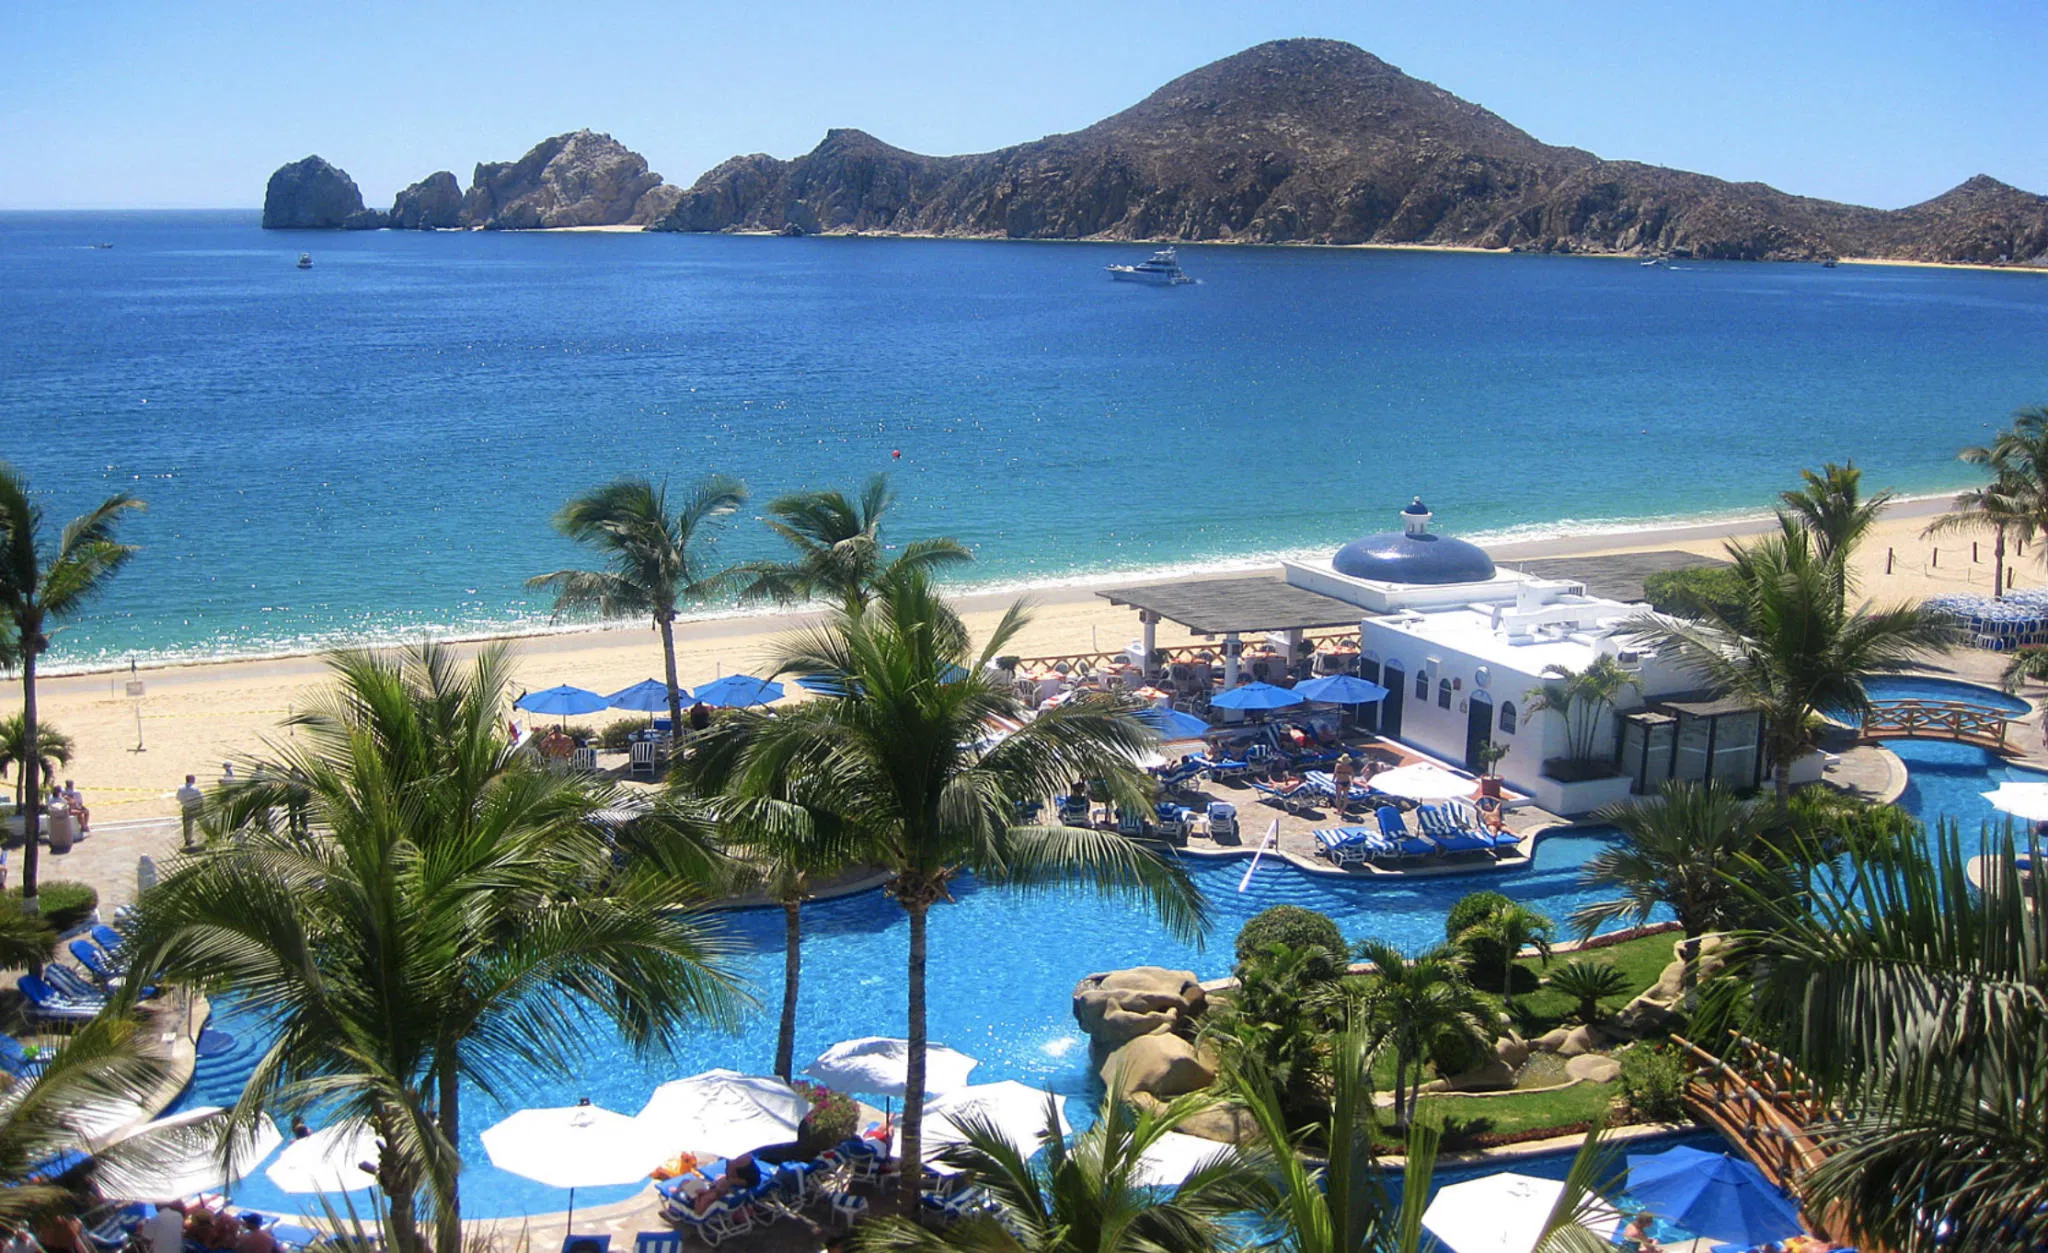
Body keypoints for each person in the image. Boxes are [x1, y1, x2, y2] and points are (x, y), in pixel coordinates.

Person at [176, 774, 204, 850]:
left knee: (187, 825)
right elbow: (201, 798)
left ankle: (188, 840)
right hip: (195, 807)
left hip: (186, 807)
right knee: (203, 822)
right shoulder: (195, 789)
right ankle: (211, 836)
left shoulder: (180, 788)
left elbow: (178, 798)